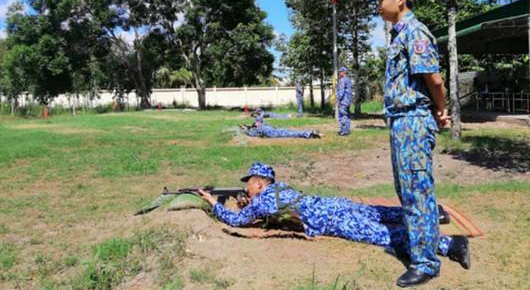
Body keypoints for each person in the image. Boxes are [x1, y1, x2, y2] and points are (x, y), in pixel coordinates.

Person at [197, 162, 470, 269]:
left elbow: (236, 221)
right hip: (333, 204)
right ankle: (433, 214)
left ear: (258, 183)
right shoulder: (279, 189)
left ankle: (450, 244)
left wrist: (213, 202)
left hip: (331, 219)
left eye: (249, 184)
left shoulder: (262, 200)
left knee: (381, 233)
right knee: (381, 213)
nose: (247, 188)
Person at [371, 0, 450, 287]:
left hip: (413, 121)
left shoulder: (415, 32)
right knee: (407, 190)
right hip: (402, 121)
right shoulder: (399, 34)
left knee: (417, 191)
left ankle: (426, 263)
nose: (378, 4)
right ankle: (421, 249)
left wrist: (441, 109)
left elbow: (435, 80)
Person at [241, 114, 320, 139]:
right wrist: (247, 128)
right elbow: (252, 133)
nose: (255, 122)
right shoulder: (260, 127)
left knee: (292, 132)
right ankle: (309, 134)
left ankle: (310, 133)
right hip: (275, 133)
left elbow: (251, 133)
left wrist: (246, 129)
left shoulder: (260, 126)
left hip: (276, 132)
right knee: (293, 134)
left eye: (256, 121)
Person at [336, 67, 353, 136]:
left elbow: (341, 91)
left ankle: (344, 131)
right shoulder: (348, 80)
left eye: (340, 72)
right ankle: (347, 130)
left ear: (343, 72)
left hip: (343, 101)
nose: (339, 73)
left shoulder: (342, 80)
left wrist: (338, 99)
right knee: (347, 116)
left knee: (342, 116)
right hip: (348, 101)